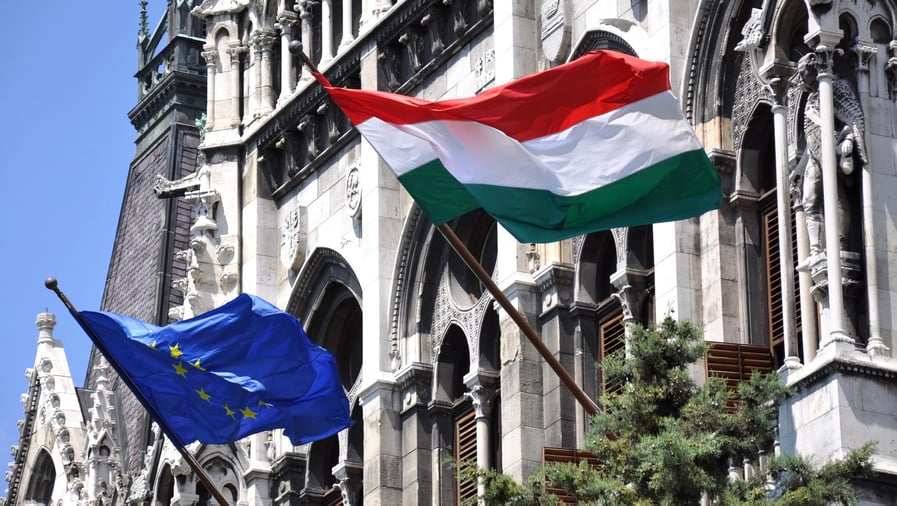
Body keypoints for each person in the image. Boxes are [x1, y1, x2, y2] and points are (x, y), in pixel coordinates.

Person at [791, 52, 866, 272]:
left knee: (835, 195)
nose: (801, 77)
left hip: (831, 149)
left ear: (813, 68)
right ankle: (815, 250)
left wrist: (848, 141)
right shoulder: (811, 99)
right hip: (815, 152)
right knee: (809, 200)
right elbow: (811, 136)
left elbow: (853, 119)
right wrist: (799, 169)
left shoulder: (836, 87)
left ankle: (840, 245)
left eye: (803, 72)